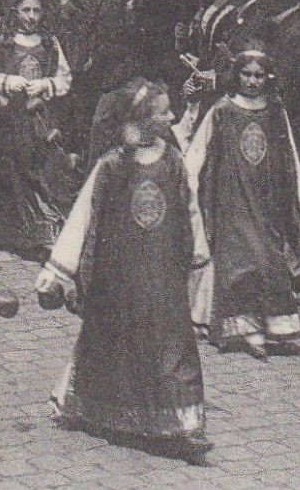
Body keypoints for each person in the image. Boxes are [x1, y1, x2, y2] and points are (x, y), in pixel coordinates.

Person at [36, 79, 212, 462]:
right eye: (164, 111)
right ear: (142, 119)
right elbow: (84, 216)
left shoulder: (174, 163)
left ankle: (180, 423)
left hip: (163, 278)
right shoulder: (112, 166)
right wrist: (58, 272)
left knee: (171, 348)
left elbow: (191, 209)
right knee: (111, 345)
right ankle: (97, 409)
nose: (173, 116)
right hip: (118, 279)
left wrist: (198, 253)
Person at [184, 43, 300, 358]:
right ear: (237, 75)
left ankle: (274, 327)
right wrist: (186, 185)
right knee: (241, 262)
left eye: (258, 75)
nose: (252, 81)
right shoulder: (223, 111)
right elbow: (197, 152)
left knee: (269, 259)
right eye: (246, 74)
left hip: (268, 201)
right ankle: (244, 329)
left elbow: (289, 155)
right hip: (232, 201)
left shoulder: (275, 112)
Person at [0, 0, 77, 262]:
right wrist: (6, 82)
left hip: (40, 118)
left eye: (36, 10)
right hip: (11, 118)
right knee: (11, 171)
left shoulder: (50, 44)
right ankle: (15, 234)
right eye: (25, 10)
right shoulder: (4, 43)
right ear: (15, 12)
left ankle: (45, 233)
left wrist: (47, 84)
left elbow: (65, 79)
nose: (31, 16)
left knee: (42, 172)